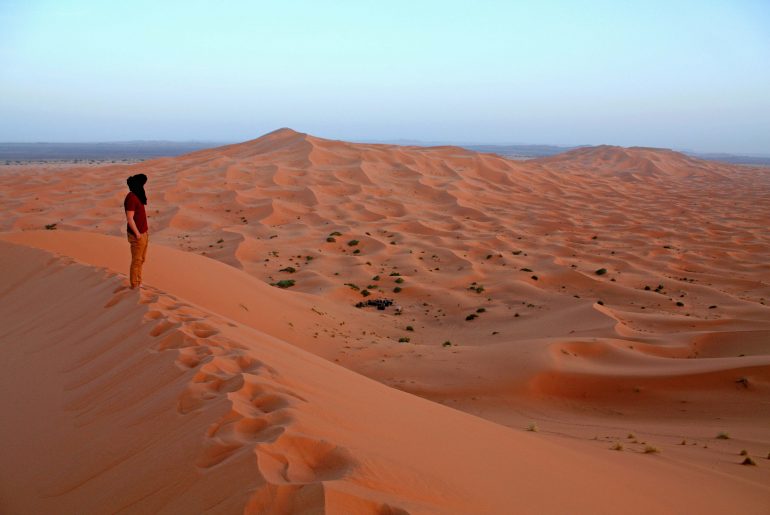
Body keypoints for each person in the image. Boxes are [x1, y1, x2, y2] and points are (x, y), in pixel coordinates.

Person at [124, 174, 149, 289]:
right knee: (137, 261)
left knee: (141, 260)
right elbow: (129, 218)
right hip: (137, 235)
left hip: (143, 233)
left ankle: (139, 282)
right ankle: (135, 285)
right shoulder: (131, 198)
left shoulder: (137, 195)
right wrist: (137, 234)